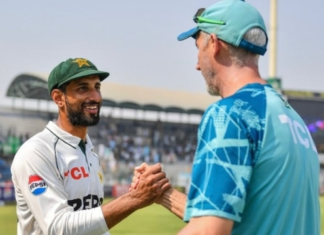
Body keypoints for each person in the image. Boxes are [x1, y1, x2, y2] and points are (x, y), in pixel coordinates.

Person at [133, 0, 320, 234]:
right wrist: (164, 194)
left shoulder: (230, 113)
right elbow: (246, 214)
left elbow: (209, 230)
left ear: (214, 43)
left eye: (199, 49)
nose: (197, 65)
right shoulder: (292, 118)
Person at [11, 57, 170, 235]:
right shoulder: (37, 152)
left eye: (97, 87)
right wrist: (134, 198)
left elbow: (92, 225)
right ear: (58, 98)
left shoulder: (88, 149)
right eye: (82, 88)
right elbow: (58, 229)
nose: (95, 97)